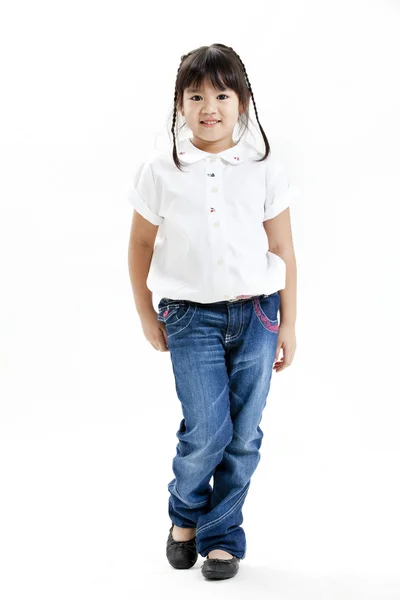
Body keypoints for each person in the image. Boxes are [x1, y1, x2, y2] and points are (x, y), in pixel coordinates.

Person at [127, 43, 298, 580]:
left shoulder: (264, 167)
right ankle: (185, 514)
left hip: (258, 318)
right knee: (207, 431)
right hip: (189, 319)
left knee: (244, 433)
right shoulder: (160, 170)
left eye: (222, 94)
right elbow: (138, 245)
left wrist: (289, 322)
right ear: (180, 103)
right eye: (196, 94)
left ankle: (221, 536)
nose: (210, 106)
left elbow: (284, 250)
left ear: (242, 101)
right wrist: (145, 312)